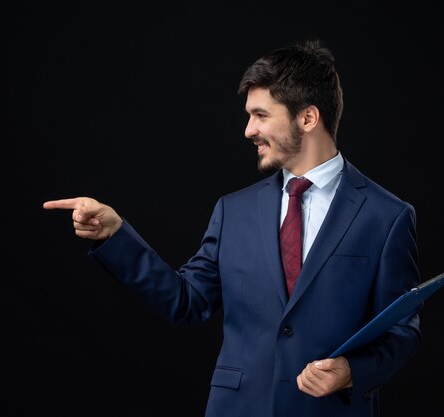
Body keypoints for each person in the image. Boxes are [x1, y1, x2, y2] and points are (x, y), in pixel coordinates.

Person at [43, 38, 421, 417]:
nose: (248, 130)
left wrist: (352, 372)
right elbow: (186, 301)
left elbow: (401, 330)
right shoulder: (233, 211)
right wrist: (116, 235)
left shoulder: (386, 216)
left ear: (307, 118)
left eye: (260, 115)